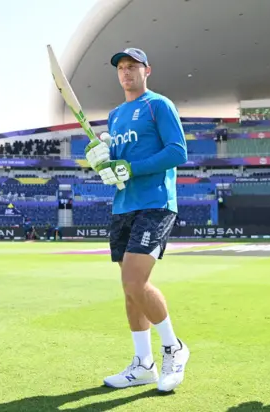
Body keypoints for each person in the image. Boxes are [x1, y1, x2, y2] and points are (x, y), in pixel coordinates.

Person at [84, 48, 189, 393]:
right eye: (122, 68)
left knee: (134, 280)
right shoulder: (115, 115)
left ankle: (174, 348)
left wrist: (131, 167)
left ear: (147, 70)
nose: (126, 72)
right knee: (130, 290)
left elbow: (178, 152)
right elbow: (116, 163)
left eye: (133, 67)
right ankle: (143, 364)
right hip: (123, 205)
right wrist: (99, 159)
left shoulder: (158, 104)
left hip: (156, 202)